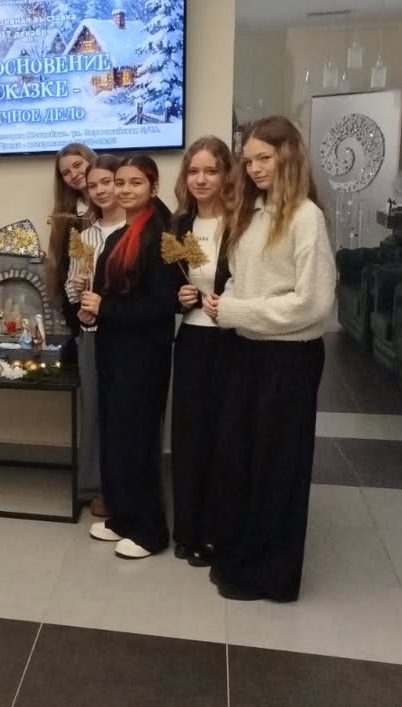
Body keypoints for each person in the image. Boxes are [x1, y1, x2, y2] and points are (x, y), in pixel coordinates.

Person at [205, 117, 335, 602]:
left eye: (265, 158)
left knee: (278, 466)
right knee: (241, 459)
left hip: (289, 358)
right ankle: (242, 556)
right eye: (249, 160)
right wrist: (226, 301)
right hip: (246, 351)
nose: (255, 168)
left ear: (289, 156)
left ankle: (272, 576)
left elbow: (313, 303)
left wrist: (235, 310)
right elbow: (243, 280)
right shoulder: (252, 213)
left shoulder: (306, 217)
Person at [79, 154, 175, 559]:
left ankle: (150, 531)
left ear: (153, 186)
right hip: (114, 352)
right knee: (116, 437)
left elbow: (163, 304)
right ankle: (123, 518)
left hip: (144, 356)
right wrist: (91, 310)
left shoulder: (162, 235)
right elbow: (106, 294)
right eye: (120, 182)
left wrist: (106, 308)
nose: (124, 190)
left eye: (135, 182)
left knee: (138, 441)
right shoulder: (121, 234)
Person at [169, 136, 234, 565]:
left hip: (233, 342)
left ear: (227, 174)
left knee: (224, 438)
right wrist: (181, 298)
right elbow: (166, 287)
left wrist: (229, 302)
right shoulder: (179, 225)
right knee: (189, 438)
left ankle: (218, 532)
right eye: (194, 171)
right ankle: (188, 530)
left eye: (211, 171)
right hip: (192, 340)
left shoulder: (241, 222)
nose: (202, 179)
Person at [62, 154, 124, 517]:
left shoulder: (137, 231)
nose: (100, 190)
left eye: (107, 182)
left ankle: (122, 487)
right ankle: (93, 485)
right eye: (93, 185)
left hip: (127, 336)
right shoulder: (85, 236)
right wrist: (79, 297)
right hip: (91, 334)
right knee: (93, 410)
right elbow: (73, 286)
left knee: (122, 413)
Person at [48, 143, 95, 301]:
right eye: (66, 173)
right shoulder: (67, 216)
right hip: (79, 303)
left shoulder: (118, 206)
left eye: (78, 165)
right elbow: (63, 267)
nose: (74, 174)